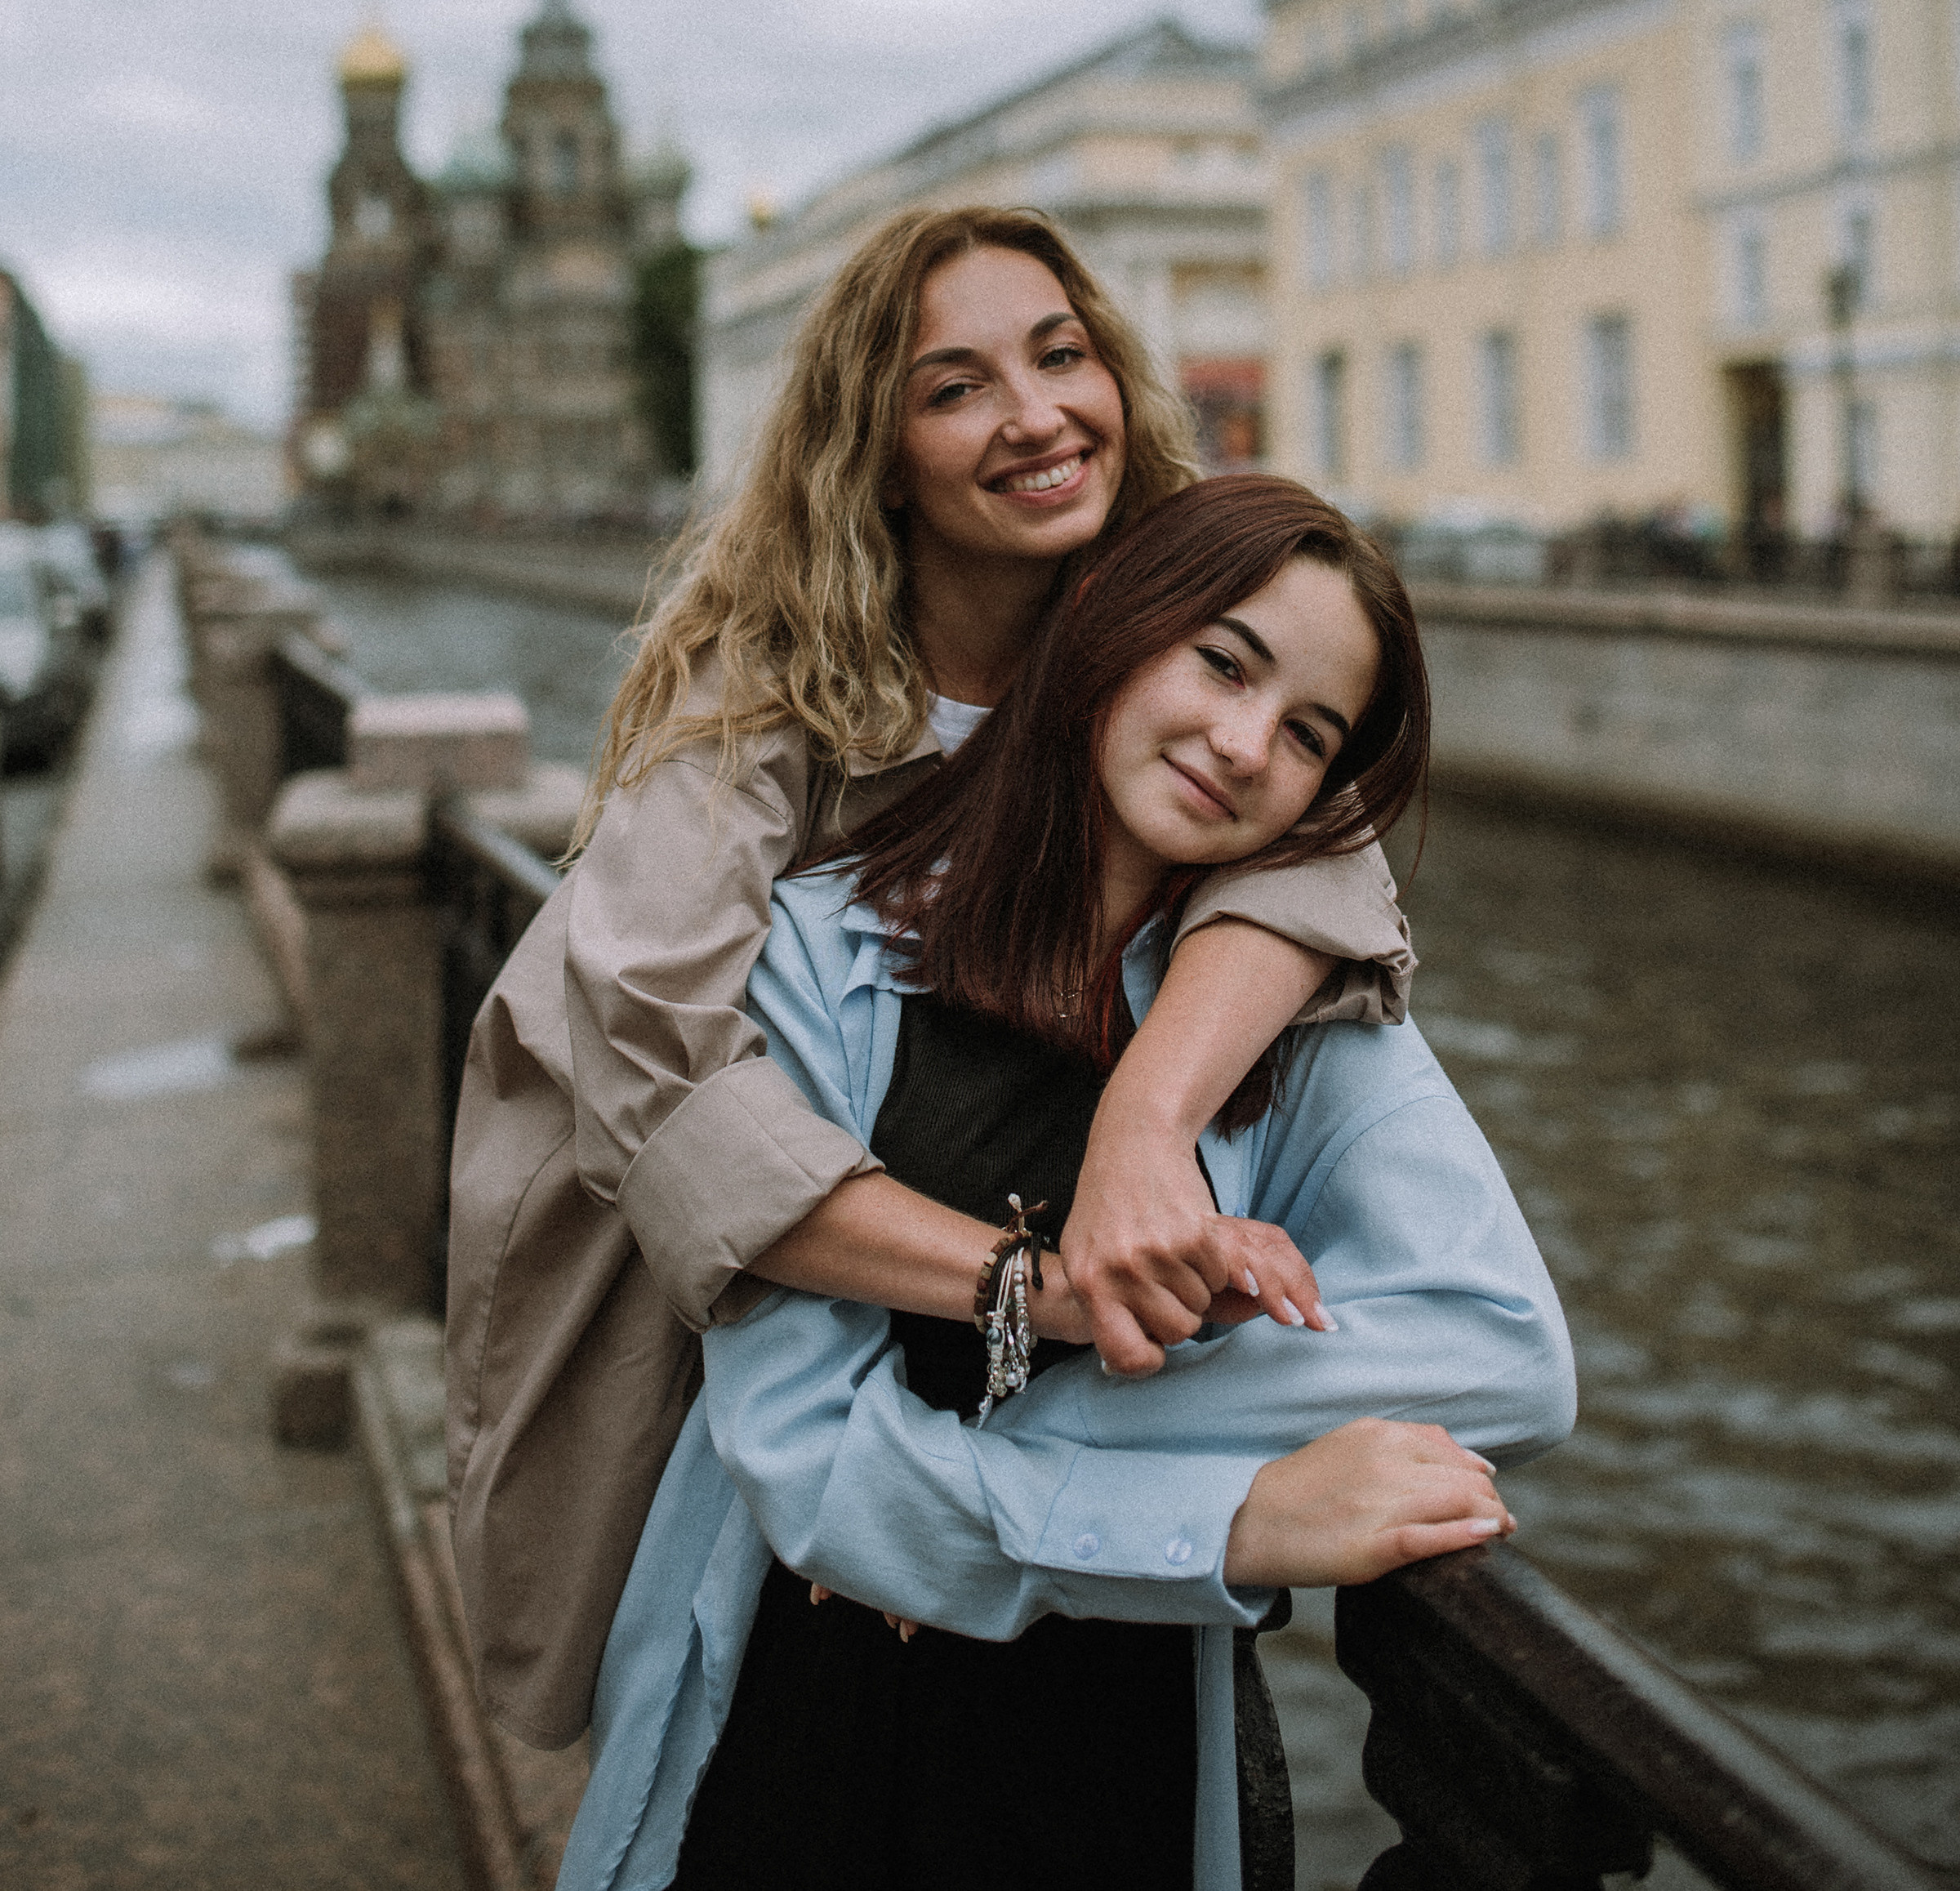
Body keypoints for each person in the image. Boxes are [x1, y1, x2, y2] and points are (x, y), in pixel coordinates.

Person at [447, 213, 1414, 1747]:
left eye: (1061, 355)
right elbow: (662, 1080)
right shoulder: (758, 684)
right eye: (955, 387)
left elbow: (1331, 852)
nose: (1035, 415)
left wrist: (1144, 1128)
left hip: (1021, 1329)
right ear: (880, 453)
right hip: (757, 1346)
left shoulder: (1175, 624)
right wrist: (1024, 1294)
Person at [558, 475, 1575, 1891]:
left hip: (1115, 1749)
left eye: (1306, 734)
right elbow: (809, 1461)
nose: (1241, 744)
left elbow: (1508, 1354)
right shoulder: (820, 956)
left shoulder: (1299, 1020)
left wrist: (995, 1465)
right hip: (810, 1728)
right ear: (1111, 624)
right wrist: (1234, 1517)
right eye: (1223, 662)